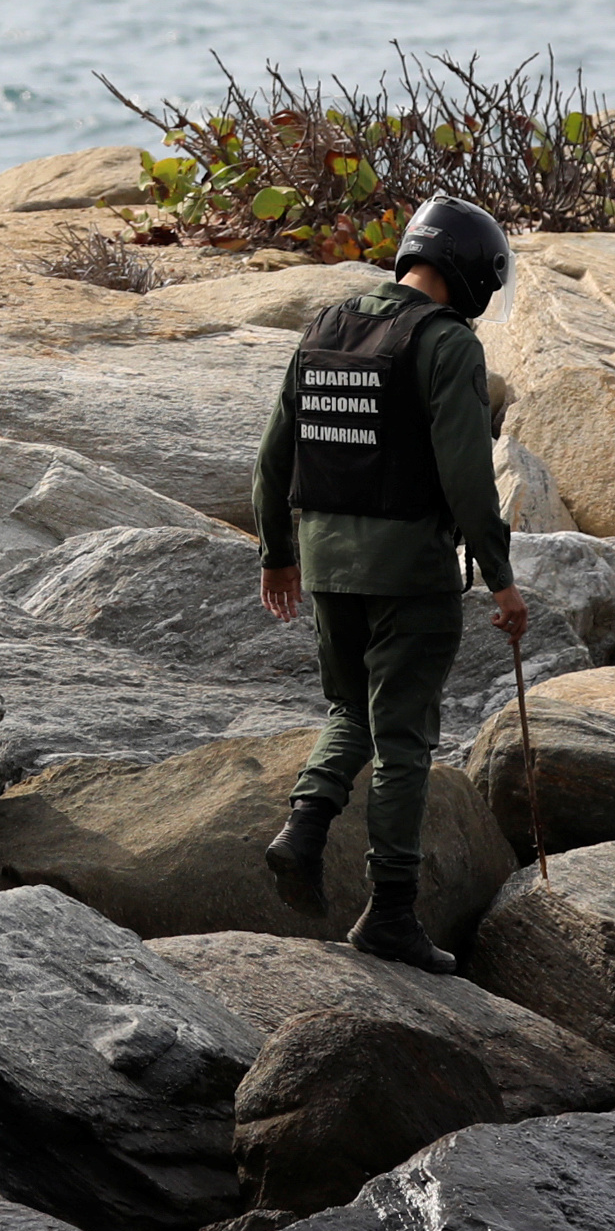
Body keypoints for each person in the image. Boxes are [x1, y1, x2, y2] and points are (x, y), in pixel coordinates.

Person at [254, 195, 529, 973]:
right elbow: (467, 478)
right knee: (404, 737)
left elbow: (275, 454)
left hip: (327, 563)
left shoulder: (327, 326)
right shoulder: (446, 346)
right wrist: (501, 580)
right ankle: (392, 914)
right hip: (409, 572)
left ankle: (303, 829)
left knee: (350, 709)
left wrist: (277, 552)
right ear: (471, 273)